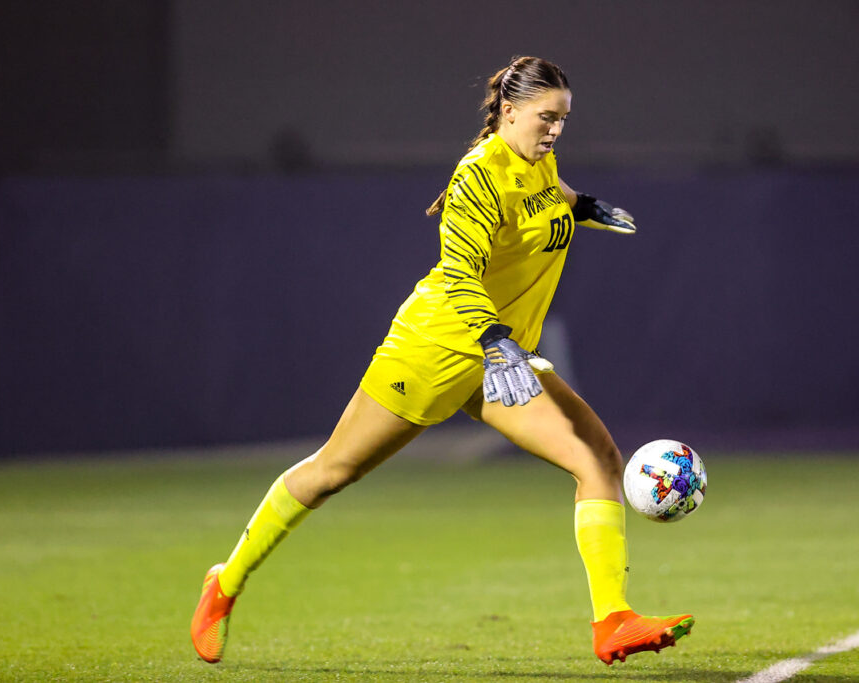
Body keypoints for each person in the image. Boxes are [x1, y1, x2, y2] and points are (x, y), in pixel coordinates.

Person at [190, 55, 694, 667]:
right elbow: (459, 272)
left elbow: (546, 193)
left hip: (500, 355)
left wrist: (582, 204)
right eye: (546, 117)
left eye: (563, 118)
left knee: (598, 458)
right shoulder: (477, 174)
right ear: (509, 112)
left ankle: (613, 620)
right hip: (440, 345)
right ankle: (226, 582)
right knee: (332, 472)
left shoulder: (538, 159)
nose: (556, 129)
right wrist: (494, 341)